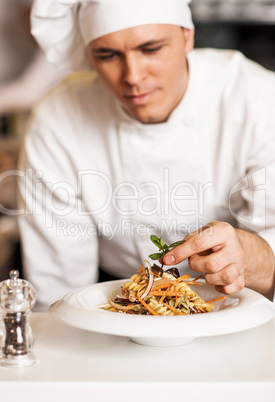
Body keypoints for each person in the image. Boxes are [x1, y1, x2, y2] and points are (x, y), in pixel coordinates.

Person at [17, 0, 275, 311]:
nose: (133, 76)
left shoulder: (257, 98)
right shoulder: (58, 122)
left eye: (150, 49)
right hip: (114, 305)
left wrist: (251, 255)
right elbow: (60, 297)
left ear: (188, 36)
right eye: (108, 55)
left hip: (243, 303)